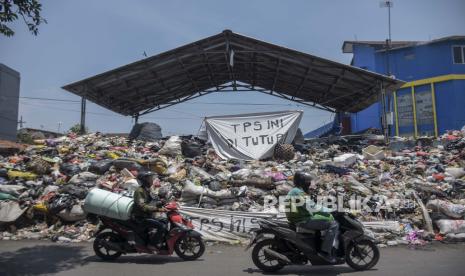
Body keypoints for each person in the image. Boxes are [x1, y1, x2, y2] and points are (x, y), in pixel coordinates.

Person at [285, 171, 339, 263]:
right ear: (302, 182)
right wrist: (330, 210)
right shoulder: (298, 192)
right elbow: (311, 207)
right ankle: (325, 252)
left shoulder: (296, 191)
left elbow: (310, 204)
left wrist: (323, 207)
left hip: (300, 216)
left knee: (327, 217)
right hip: (302, 219)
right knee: (333, 224)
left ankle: (320, 243)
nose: (309, 183)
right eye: (307, 181)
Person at [132, 171, 167, 249]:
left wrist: (161, 202)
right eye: (149, 179)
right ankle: (152, 244)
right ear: (144, 180)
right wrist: (158, 209)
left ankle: (157, 239)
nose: (151, 180)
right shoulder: (140, 191)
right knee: (161, 226)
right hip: (141, 217)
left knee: (163, 220)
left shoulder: (147, 189)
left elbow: (151, 201)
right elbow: (143, 206)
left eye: (151, 178)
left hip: (147, 215)